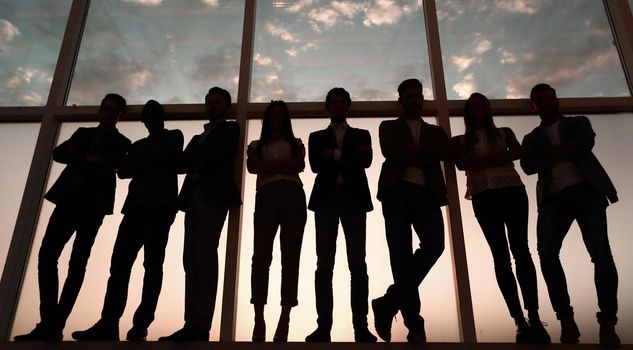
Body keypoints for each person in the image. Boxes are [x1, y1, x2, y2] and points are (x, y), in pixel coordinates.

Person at [14, 94, 131, 341]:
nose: (109, 114)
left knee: (77, 263)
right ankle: (49, 322)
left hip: (93, 206)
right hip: (69, 200)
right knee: (47, 255)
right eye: (107, 109)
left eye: (115, 111)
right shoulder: (82, 132)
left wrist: (82, 156)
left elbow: (111, 163)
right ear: (100, 110)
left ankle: (54, 324)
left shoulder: (122, 142)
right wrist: (90, 158)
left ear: (120, 116)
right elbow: (59, 153)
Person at [71, 100, 184, 341]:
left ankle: (140, 325)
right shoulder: (139, 144)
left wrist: (139, 163)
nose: (152, 119)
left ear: (162, 118)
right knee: (119, 267)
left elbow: (137, 164)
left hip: (160, 210)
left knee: (152, 267)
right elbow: (123, 171)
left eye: (156, 115)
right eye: (148, 116)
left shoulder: (174, 136)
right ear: (144, 121)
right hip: (135, 209)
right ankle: (109, 323)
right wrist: (146, 162)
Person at [521, 83, 620, 346]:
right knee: (547, 253)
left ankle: (608, 323)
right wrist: (567, 149)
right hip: (554, 197)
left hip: (588, 191)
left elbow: (585, 143)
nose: (546, 103)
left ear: (556, 100)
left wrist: (549, 154)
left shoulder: (578, 122)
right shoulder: (531, 138)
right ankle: (566, 319)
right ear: (534, 106)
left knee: (601, 253)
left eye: (549, 98)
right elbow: (529, 166)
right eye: (540, 100)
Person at [452, 92, 549, 343]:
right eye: (474, 105)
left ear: (488, 109)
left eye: (483, 104)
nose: (479, 108)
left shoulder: (504, 132)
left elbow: (516, 153)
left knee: (521, 251)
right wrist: (496, 158)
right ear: (468, 111)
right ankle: (518, 320)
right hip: (483, 195)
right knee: (500, 256)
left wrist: (481, 160)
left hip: (513, 192)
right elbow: (463, 165)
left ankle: (535, 316)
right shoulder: (460, 140)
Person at [371, 78, 455, 343]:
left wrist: (416, 149)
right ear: (401, 100)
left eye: (417, 96)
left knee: (435, 245)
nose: (413, 100)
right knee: (401, 257)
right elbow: (391, 152)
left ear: (422, 99)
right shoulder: (388, 126)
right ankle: (415, 327)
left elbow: (448, 151)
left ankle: (388, 301)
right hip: (397, 192)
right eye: (408, 96)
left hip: (427, 194)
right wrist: (426, 154)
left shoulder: (435, 131)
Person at [159, 87, 241, 341]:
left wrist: (197, 157)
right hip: (193, 198)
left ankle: (200, 324)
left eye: (218, 102)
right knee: (191, 260)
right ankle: (190, 322)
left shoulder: (231, 129)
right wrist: (198, 157)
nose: (213, 106)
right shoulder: (198, 137)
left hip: (212, 197)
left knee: (204, 258)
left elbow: (218, 153)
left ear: (226, 107)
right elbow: (182, 163)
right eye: (210, 102)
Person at [304, 88, 376, 343]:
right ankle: (324, 328)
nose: (337, 106)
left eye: (341, 102)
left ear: (348, 105)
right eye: (333, 102)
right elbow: (315, 165)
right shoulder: (316, 137)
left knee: (358, 265)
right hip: (326, 202)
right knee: (324, 266)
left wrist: (333, 155)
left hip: (354, 201)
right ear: (327, 107)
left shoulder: (363, 134)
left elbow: (366, 161)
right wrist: (349, 156)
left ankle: (361, 328)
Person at [247, 100, 307, 343]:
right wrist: (283, 164)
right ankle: (258, 317)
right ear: (267, 117)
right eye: (273, 114)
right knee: (260, 257)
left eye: (281, 114)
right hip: (266, 196)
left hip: (293, 196)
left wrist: (268, 166)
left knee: (290, 257)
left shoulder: (296, 143)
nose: (277, 118)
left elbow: (299, 165)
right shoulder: (255, 144)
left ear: (286, 118)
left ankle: (285, 317)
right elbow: (253, 167)